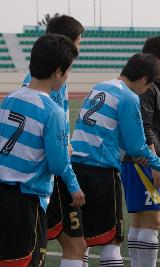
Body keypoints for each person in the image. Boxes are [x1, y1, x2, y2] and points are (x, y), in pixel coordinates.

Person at [70, 53, 160, 266]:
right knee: (111, 241)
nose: (146, 91)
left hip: (76, 168)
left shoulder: (99, 86)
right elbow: (137, 148)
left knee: (80, 241)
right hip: (101, 172)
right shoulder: (129, 97)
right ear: (142, 79)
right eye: (148, 86)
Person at [0, 34, 85, 267]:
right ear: (58, 72)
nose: (68, 77)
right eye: (68, 71)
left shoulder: (9, 99)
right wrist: (64, 153)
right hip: (26, 201)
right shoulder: (52, 111)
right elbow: (58, 165)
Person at [21, 15, 88, 267]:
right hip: (48, 174)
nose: (80, 48)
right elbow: (52, 143)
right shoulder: (52, 82)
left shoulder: (34, 83)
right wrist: (72, 182)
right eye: (79, 41)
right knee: (74, 245)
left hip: (40, 175)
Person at [121, 36, 160, 267]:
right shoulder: (148, 87)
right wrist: (155, 162)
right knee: (152, 221)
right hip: (142, 161)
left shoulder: (153, 86)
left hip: (135, 160)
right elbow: (144, 125)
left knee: (140, 220)